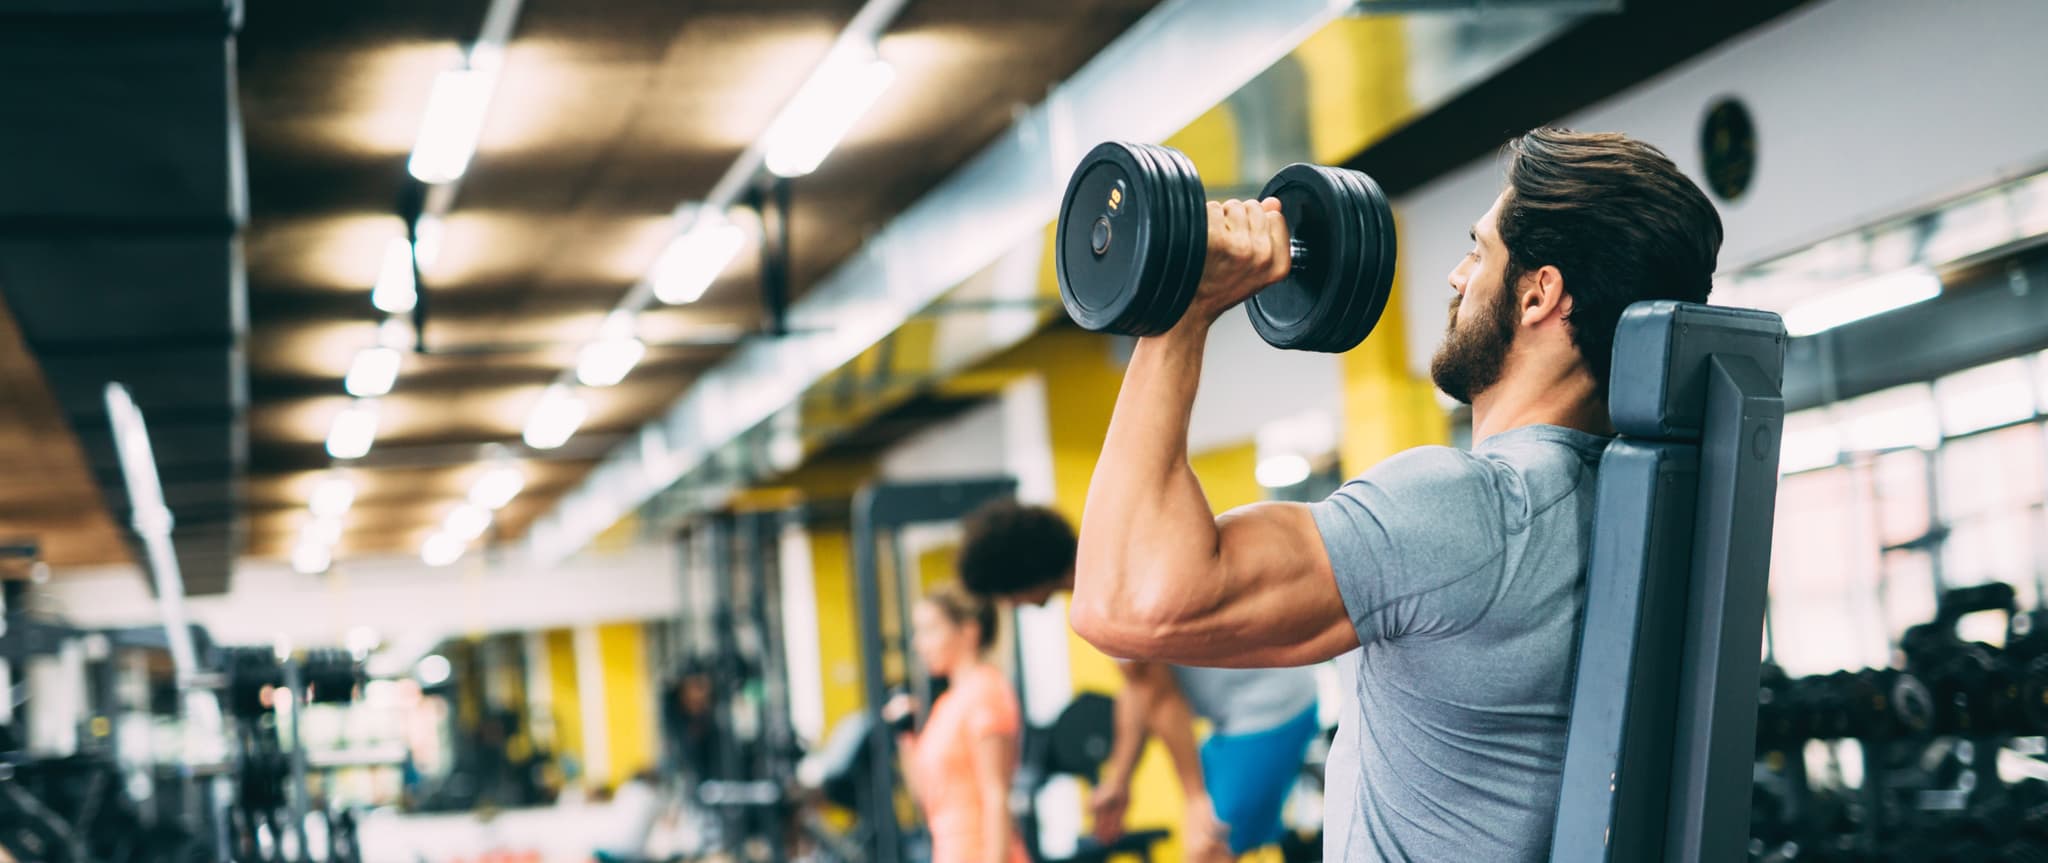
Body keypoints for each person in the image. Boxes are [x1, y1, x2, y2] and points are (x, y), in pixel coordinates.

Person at [1065, 128, 1723, 860]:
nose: (1455, 275)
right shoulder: (1635, 507)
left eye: (1479, 251)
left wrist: (1183, 312)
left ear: (1540, 294)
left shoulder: (1471, 511)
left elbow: (1123, 599)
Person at [958, 501, 1319, 862]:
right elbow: (1138, 690)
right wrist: (1119, 779)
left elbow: (1163, 700)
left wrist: (1195, 799)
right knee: (1223, 842)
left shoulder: (1109, 597)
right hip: (1237, 718)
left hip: (1268, 707)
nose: (1008, 605)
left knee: (1211, 848)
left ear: (1022, 575)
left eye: (1005, 593)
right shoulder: (1104, 575)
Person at [889, 584, 1031, 863]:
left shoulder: (986, 691)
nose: (919, 644)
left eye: (930, 630)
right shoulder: (946, 704)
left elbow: (996, 793)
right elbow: (926, 796)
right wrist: (905, 734)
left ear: (968, 631)